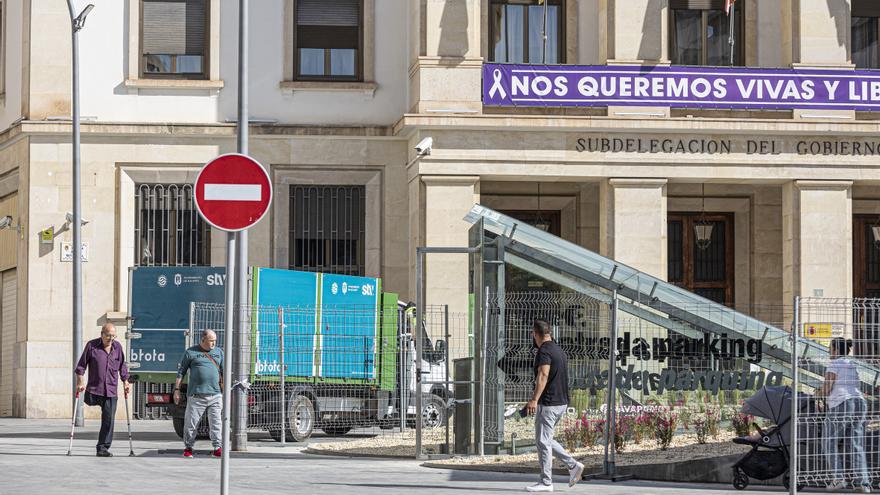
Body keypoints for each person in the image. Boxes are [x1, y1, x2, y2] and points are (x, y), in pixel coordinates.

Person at [524, 319, 584, 492]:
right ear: (549, 332)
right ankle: (573, 466)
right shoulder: (558, 349)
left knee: (542, 441)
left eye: (532, 334)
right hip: (561, 402)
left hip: (549, 402)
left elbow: (543, 375)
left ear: (535, 333)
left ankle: (546, 482)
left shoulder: (543, 351)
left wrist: (534, 399)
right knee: (546, 438)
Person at [819, 337, 871, 493]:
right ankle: (863, 482)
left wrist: (817, 394)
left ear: (835, 349)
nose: (828, 350)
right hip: (859, 403)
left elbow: (828, 387)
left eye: (830, 347)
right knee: (856, 443)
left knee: (828, 441)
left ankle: (838, 478)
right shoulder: (851, 364)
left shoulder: (835, 363)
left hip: (842, 404)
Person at [74, 323, 131, 457]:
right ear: (102, 334)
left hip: (110, 390)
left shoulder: (117, 347)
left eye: (113, 336)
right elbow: (81, 367)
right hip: (94, 389)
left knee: (108, 419)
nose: (111, 339)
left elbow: (122, 366)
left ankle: (102, 448)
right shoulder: (92, 346)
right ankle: (102, 446)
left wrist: (126, 381)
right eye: (108, 336)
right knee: (89, 401)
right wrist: (80, 382)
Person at [174, 329, 223, 459]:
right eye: (211, 341)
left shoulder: (219, 352)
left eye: (215, 341)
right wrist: (177, 390)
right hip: (197, 395)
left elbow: (223, 372)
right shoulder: (190, 352)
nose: (214, 344)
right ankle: (188, 447)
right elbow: (181, 372)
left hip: (215, 395)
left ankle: (217, 448)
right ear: (202, 340)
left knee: (216, 423)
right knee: (191, 423)